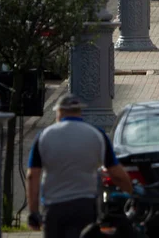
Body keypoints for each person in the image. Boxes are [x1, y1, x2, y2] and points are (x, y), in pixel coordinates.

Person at [26, 94, 133, 236]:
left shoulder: (44, 136)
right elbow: (117, 174)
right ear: (79, 112)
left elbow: (32, 176)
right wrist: (132, 196)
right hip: (85, 207)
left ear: (59, 112)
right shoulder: (97, 135)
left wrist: (33, 212)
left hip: (54, 208)